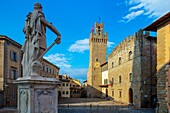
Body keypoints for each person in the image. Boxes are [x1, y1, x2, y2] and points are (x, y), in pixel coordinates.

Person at [21, 2, 61, 77]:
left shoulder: (28, 18)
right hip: (39, 39)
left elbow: (24, 30)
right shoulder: (39, 15)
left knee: (32, 58)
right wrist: (58, 34)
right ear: (40, 8)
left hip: (30, 41)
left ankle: (30, 74)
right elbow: (49, 25)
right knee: (38, 59)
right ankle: (35, 74)